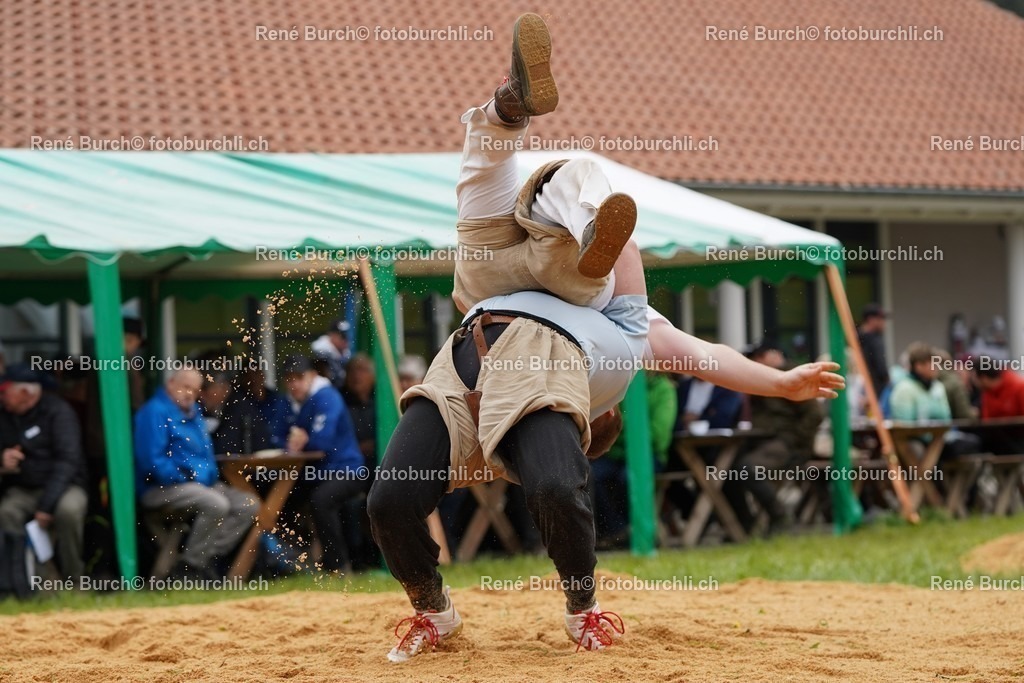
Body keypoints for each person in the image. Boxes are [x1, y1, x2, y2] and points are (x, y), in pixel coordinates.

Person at [369, 13, 844, 663]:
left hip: (478, 328)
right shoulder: (628, 337)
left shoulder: (554, 407)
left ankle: (508, 117)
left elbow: (554, 477)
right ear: (597, 410)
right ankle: (548, 159)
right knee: (574, 179)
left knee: (392, 496)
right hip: (558, 277)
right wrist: (781, 382)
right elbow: (708, 357)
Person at [134, 368, 258, 579]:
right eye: (185, 387)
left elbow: (208, 457)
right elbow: (152, 463)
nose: (190, 393)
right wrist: (189, 476)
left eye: (195, 389)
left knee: (249, 505)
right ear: (171, 384)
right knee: (216, 504)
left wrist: (203, 477)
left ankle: (197, 560)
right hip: (161, 487)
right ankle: (191, 568)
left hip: (200, 484)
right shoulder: (153, 412)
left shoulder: (194, 413)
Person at [723, 342, 823, 534]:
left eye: (760, 356)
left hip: (785, 442)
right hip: (760, 442)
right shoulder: (753, 380)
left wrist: (796, 441)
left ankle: (779, 516)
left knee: (747, 469)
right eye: (752, 358)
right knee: (724, 471)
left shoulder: (791, 376)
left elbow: (814, 415)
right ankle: (744, 523)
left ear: (773, 355)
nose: (755, 362)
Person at [280, 355, 367, 574]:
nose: (294, 384)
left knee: (321, 500)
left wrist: (302, 440)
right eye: (289, 379)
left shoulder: (326, 397)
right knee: (281, 499)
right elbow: (288, 439)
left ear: (312, 376)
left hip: (349, 470)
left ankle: (337, 567)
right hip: (322, 472)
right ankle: (293, 562)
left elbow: (322, 442)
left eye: (298, 378)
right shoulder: (306, 401)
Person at [0, 365, 88, 578]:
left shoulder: (58, 412)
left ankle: (74, 579)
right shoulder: (4, 414)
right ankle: (25, 583)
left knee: (68, 511)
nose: (1, 396)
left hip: (65, 486)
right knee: (7, 512)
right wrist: (2, 459)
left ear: (23, 393)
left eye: (4, 392)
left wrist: (46, 506)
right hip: (24, 488)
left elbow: (67, 462)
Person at [591, 371, 676, 548]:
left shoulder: (664, 390)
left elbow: (658, 436)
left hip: (651, 456)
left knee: (629, 478)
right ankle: (616, 531)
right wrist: (626, 431)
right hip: (617, 454)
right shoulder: (621, 387)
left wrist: (623, 427)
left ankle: (636, 531)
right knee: (590, 476)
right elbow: (608, 428)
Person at [974, 355, 1024, 453]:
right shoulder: (987, 391)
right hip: (997, 441)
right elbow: (987, 420)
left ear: (983, 378)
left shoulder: (1019, 386)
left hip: (1017, 440)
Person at [341, 353, 377, 464]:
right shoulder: (340, 402)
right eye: (351, 371)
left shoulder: (382, 402)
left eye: (362, 370)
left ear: (373, 375)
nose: (356, 375)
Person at [857, 304, 890, 396]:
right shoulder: (875, 339)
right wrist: (888, 380)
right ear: (871, 319)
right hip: (875, 392)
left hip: (859, 390)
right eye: (880, 319)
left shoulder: (854, 337)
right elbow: (881, 367)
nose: (883, 323)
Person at [311, 318, 352, 390]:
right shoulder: (321, 356)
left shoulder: (344, 355)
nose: (345, 340)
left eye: (346, 336)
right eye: (342, 336)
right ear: (331, 335)